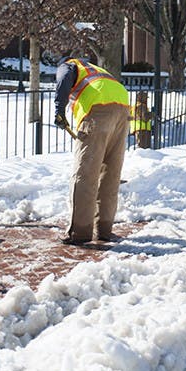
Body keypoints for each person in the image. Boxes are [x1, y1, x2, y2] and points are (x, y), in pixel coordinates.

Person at [54, 55, 130, 246]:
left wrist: (59, 110)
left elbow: (63, 79)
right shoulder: (96, 70)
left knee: (85, 173)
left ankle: (79, 232)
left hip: (98, 110)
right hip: (122, 107)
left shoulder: (69, 65)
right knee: (110, 173)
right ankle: (104, 230)